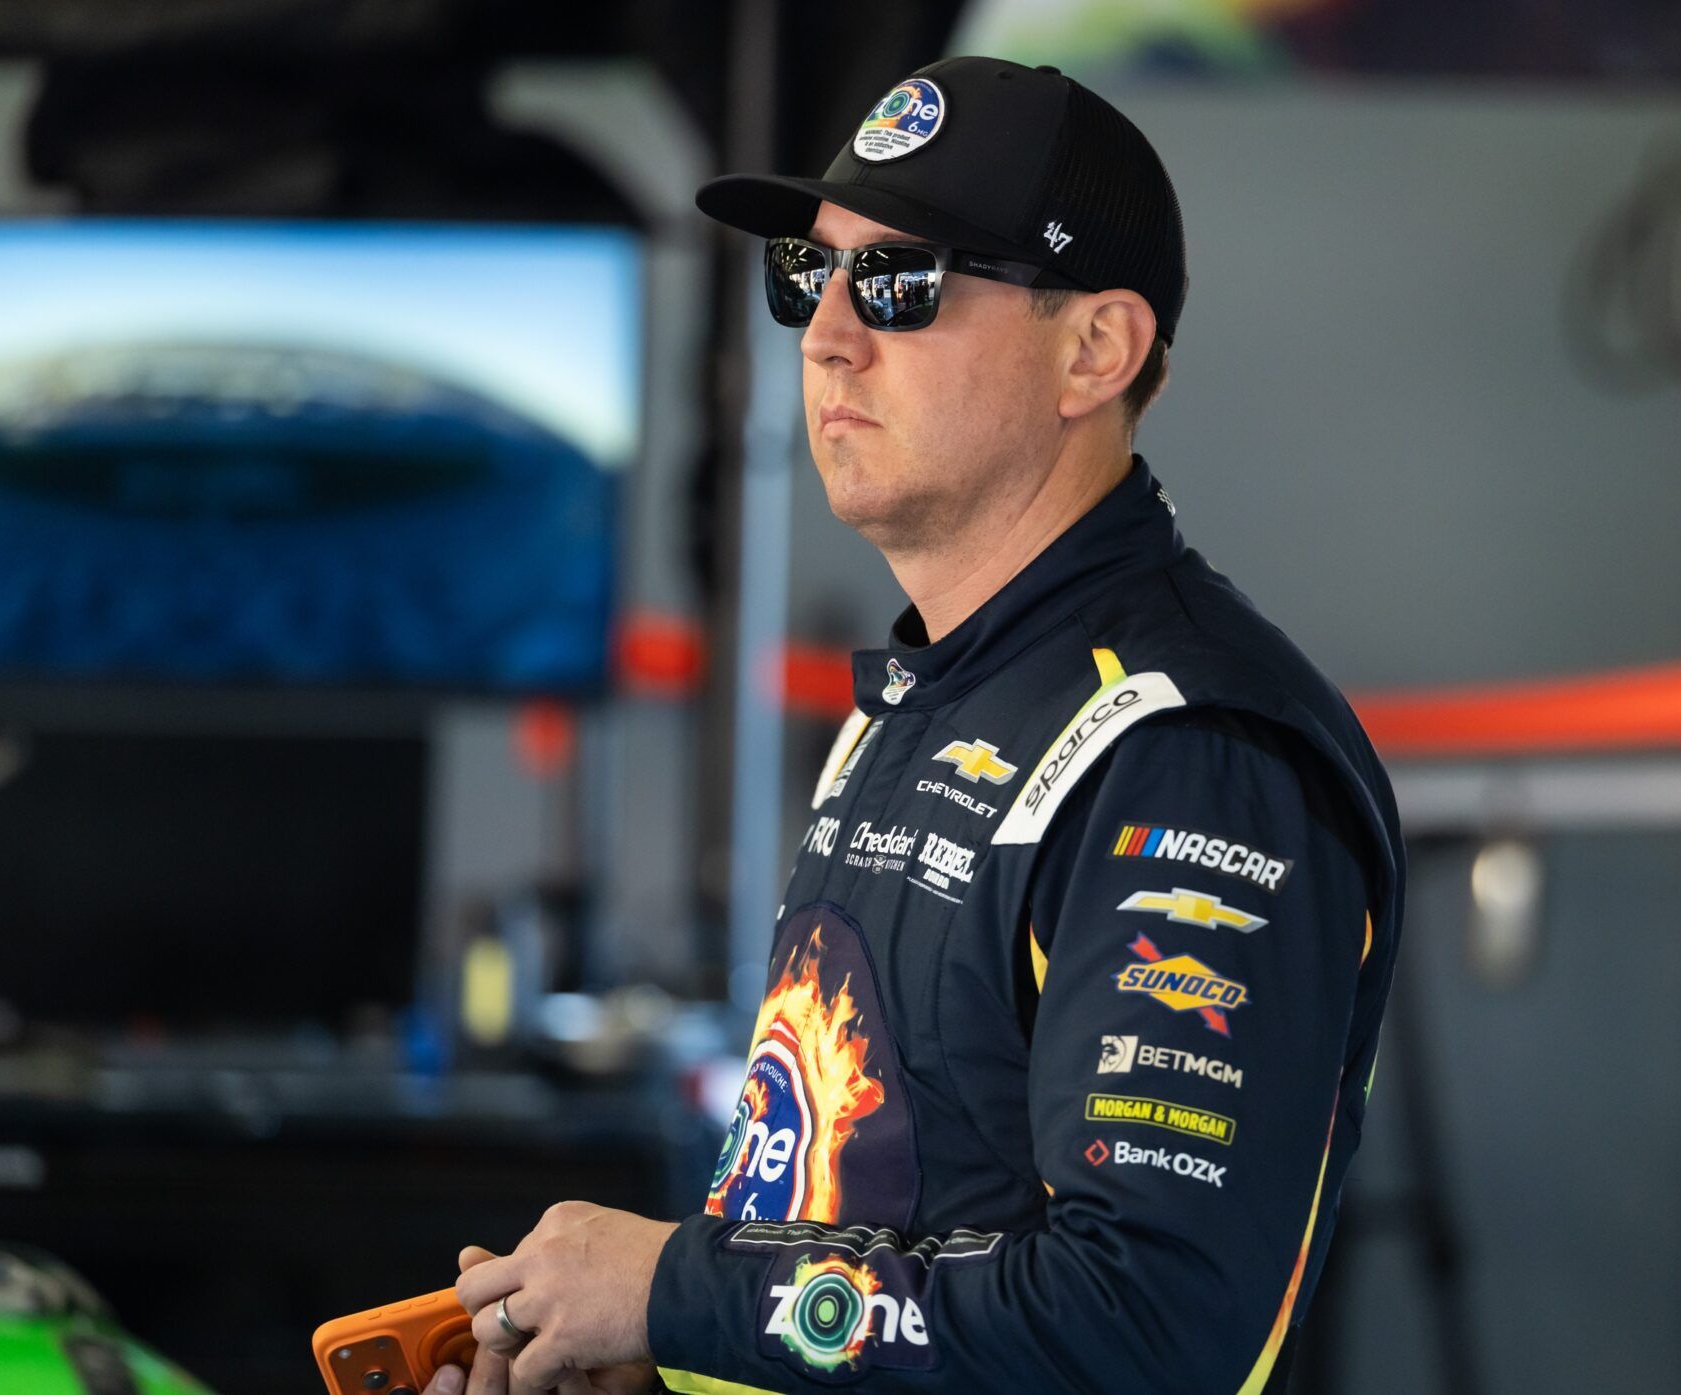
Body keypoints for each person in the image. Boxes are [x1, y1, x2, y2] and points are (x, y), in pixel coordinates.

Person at [434, 55, 1405, 1395]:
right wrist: (671, 1357)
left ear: (1095, 351)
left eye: (899, 282)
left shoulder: (1180, 752)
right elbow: (876, 1217)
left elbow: (1147, 1328)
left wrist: (674, 1291)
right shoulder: (929, 697)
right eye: (807, 273)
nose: (826, 334)